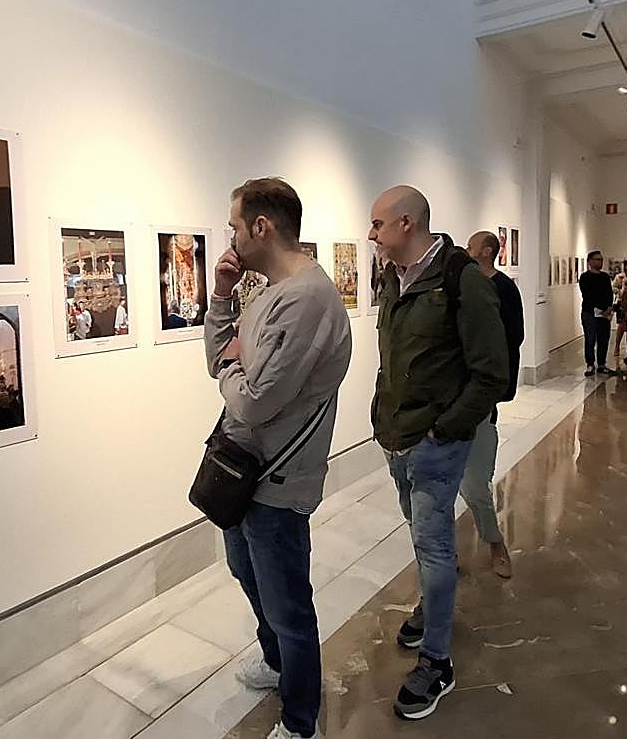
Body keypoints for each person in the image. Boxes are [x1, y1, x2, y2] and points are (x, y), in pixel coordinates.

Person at [205, 177, 352, 739]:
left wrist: (233, 368)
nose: (232, 237)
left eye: (235, 226)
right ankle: (274, 664)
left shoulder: (307, 298)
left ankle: (300, 720)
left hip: (278, 478)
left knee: (290, 605)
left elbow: (258, 401)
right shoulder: (266, 290)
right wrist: (222, 295)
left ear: (261, 227)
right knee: (246, 571)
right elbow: (220, 362)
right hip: (244, 471)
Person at [369, 187, 508, 721]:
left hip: (436, 442)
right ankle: (430, 609)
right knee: (421, 534)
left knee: (433, 545)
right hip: (396, 436)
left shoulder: (460, 278)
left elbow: (491, 371)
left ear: (407, 223)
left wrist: (445, 430)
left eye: (378, 223)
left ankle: (437, 661)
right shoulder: (392, 279)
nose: (371, 233)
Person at [464, 231, 524, 579]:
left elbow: (514, 334)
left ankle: (495, 542)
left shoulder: (502, 287)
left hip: (481, 396)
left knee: (475, 485)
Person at [578, 250, 614, 377]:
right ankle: (590, 364)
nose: (600, 262)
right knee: (590, 339)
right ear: (590, 261)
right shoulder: (585, 277)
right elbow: (587, 295)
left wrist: (609, 308)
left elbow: (609, 293)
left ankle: (602, 364)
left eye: (601, 259)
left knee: (604, 339)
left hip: (605, 313)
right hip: (590, 312)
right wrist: (598, 308)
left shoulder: (605, 277)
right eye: (597, 259)